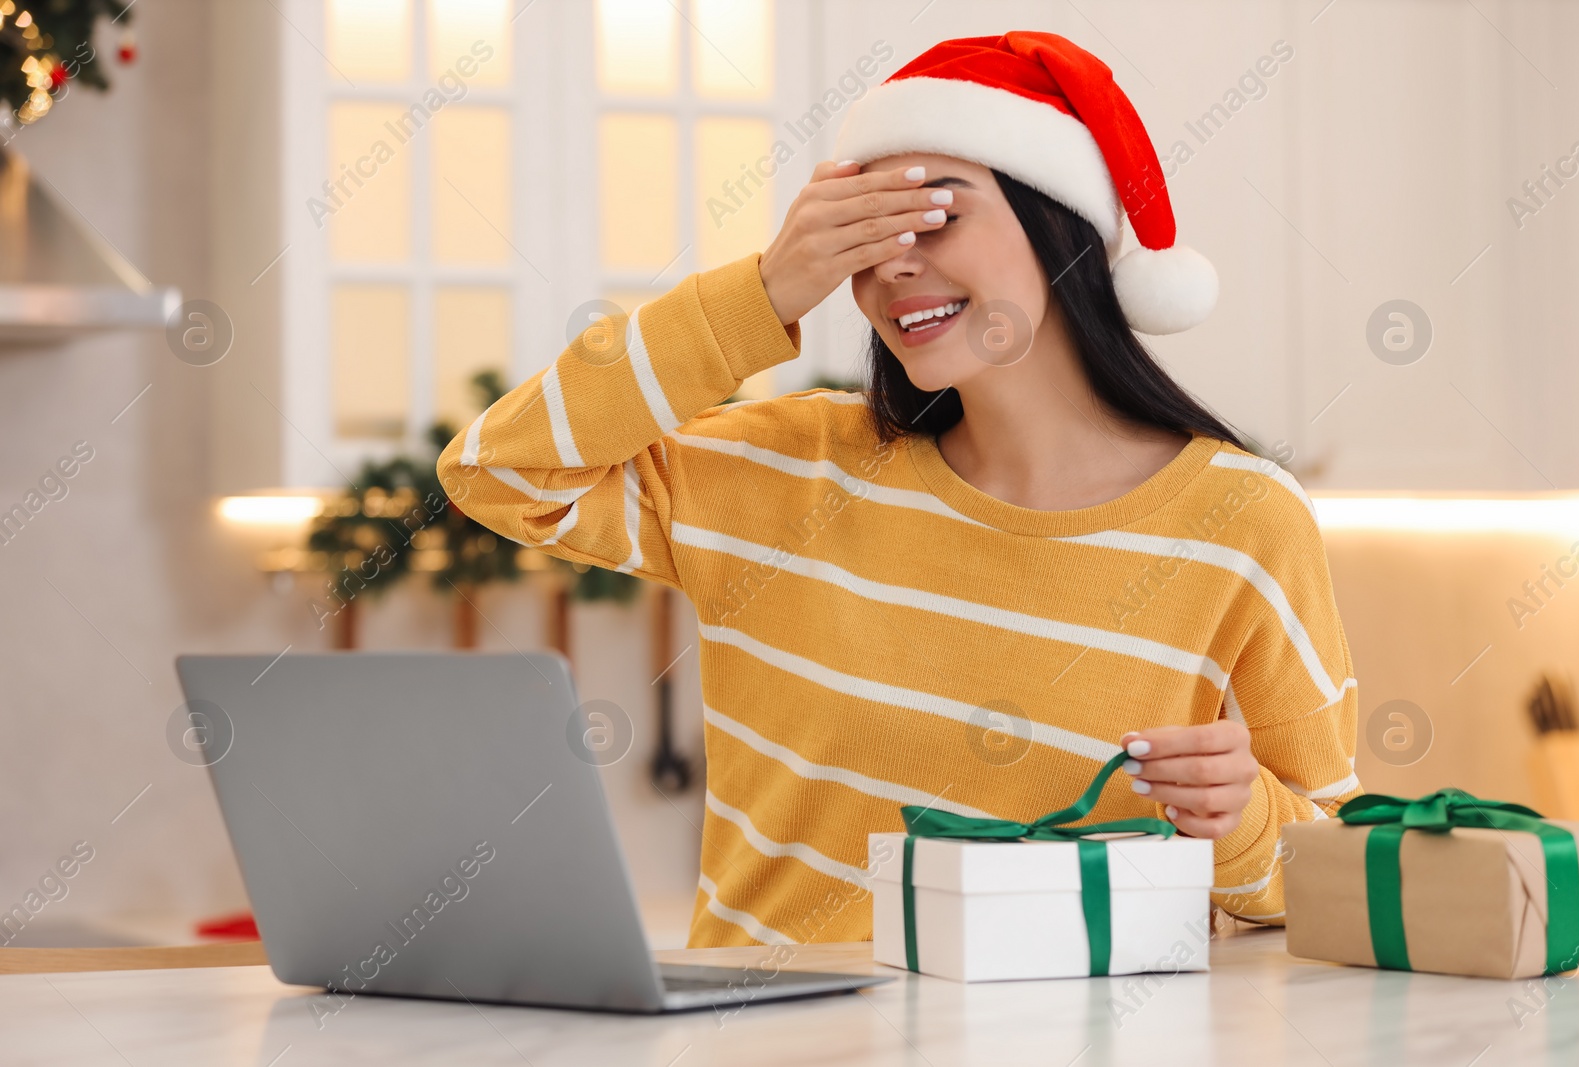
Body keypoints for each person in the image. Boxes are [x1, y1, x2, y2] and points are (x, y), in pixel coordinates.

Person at [439, 31, 1359, 948]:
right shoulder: (784, 470)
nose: (890, 268)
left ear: (1059, 228)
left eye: (935, 217)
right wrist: (763, 293)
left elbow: (1333, 876)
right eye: (862, 237)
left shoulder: (1244, 519)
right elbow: (498, 469)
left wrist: (1236, 821)